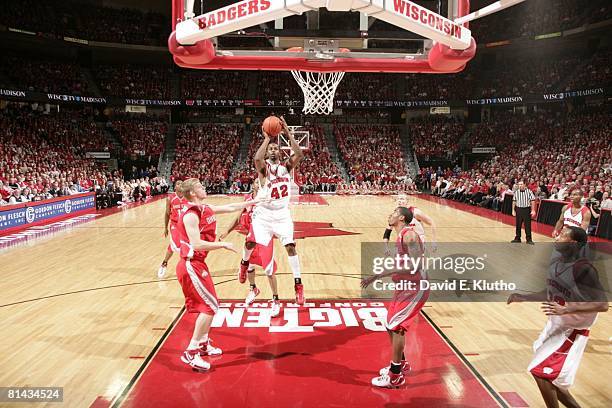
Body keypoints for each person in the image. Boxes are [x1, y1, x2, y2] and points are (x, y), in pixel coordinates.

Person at [507, 226, 608, 408]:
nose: (556, 236)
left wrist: (567, 308)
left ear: (573, 243)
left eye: (562, 235)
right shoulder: (557, 262)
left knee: (539, 372)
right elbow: (551, 290)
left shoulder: (583, 269)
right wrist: (524, 297)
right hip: (554, 326)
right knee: (552, 381)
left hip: (572, 332)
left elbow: (602, 304)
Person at [175, 178, 265, 372]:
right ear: (192, 193)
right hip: (190, 264)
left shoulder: (204, 208)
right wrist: (222, 244)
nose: (204, 187)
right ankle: (191, 352)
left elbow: (231, 207)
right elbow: (196, 244)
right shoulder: (190, 215)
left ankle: (204, 343)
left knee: (211, 305)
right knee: (209, 306)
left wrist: (253, 201)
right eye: (200, 186)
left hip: (198, 264)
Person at [238, 117, 306, 305]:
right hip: (264, 214)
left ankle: (298, 286)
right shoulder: (263, 169)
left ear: (280, 151)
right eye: (271, 149)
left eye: (276, 148)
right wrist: (267, 138)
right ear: (268, 152)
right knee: (250, 243)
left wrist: (287, 132)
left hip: (282, 214)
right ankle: (244, 264)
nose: (274, 150)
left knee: (291, 247)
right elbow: (256, 158)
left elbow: (299, 154)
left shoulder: (286, 168)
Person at [362, 207, 427, 388]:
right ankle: (402, 363)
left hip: (415, 287)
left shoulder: (409, 235)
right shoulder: (401, 235)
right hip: (404, 286)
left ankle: (395, 375)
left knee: (397, 327)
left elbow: (416, 265)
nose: (388, 215)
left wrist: (381, 274)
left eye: (392, 213)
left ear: (400, 218)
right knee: (389, 323)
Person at [219, 182, 281, 317]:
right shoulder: (247, 199)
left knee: (269, 271)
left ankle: (276, 300)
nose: (259, 184)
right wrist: (227, 231)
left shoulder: (267, 200)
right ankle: (253, 289)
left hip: (264, 238)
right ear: (253, 185)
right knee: (250, 266)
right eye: (257, 182)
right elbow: (237, 218)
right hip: (251, 236)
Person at [158, 180, 187, 278]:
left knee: (176, 245)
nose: (180, 184)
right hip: (175, 224)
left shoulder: (188, 197)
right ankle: (182, 266)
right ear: (175, 187)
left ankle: (164, 262)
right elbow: (167, 214)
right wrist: (165, 227)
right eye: (178, 183)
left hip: (186, 225)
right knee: (177, 243)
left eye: (182, 183)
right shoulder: (170, 198)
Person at [512, 180, 536, 244]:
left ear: (524, 185)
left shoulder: (529, 191)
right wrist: (513, 210)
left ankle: (529, 239)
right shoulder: (516, 192)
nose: (520, 186)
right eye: (519, 184)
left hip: (526, 209)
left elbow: (533, 200)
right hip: (518, 209)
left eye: (521, 184)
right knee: (518, 224)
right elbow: (514, 201)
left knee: (527, 225)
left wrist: (533, 210)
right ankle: (517, 238)